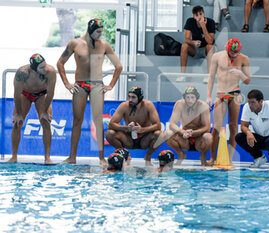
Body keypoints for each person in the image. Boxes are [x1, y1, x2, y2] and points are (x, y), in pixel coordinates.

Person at [56, 18, 123, 167]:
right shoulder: (75, 43)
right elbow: (60, 63)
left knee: (98, 121)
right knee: (77, 121)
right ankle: (72, 157)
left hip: (97, 86)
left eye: (101, 32)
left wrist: (111, 85)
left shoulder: (104, 45)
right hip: (80, 85)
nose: (100, 35)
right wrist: (67, 83)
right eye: (98, 32)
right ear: (90, 30)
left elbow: (118, 66)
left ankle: (101, 158)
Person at [207, 38, 250, 166]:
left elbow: (247, 80)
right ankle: (212, 158)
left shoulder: (244, 59)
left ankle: (230, 159)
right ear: (227, 49)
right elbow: (211, 77)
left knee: (233, 128)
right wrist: (209, 96)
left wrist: (240, 73)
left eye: (235, 53)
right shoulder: (217, 56)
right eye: (231, 52)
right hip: (220, 94)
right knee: (216, 128)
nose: (233, 55)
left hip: (235, 94)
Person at [8, 54, 56, 164]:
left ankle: (47, 157)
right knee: (17, 123)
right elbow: (16, 94)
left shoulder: (51, 71)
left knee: (46, 122)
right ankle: (14, 156)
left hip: (41, 95)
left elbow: (50, 93)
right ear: (33, 69)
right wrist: (18, 113)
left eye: (45, 65)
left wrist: (44, 111)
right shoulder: (22, 73)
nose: (45, 69)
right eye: (42, 68)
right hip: (25, 94)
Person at [105, 86, 162, 166]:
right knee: (109, 133)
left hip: (144, 139)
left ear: (140, 97)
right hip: (128, 140)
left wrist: (142, 130)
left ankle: (148, 156)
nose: (130, 100)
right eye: (129, 97)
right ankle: (125, 155)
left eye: (133, 97)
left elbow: (158, 125)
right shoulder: (124, 106)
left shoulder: (148, 105)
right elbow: (111, 124)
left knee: (160, 134)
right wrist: (126, 128)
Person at [165, 86, 212, 166]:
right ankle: (181, 154)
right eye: (188, 97)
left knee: (208, 137)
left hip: (199, 139)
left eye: (192, 97)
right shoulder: (179, 104)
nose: (190, 100)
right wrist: (182, 132)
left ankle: (203, 156)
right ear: (184, 98)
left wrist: (193, 133)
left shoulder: (203, 106)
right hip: (185, 139)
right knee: (167, 134)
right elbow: (172, 124)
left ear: (197, 97)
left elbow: (207, 127)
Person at [180, 5, 215, 77]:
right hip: (195, 49)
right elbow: (186, 39)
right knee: (184, 46)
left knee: (210, 46)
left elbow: (210, 41)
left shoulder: (211, 22)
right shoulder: (190, 21)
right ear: (194, 16)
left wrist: (203, 26)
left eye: (201, 14)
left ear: (204, 14)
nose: (199, 17)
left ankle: (208, 75)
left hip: (207, 49)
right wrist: (193, 42)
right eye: (196, 15)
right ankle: (182, 75)